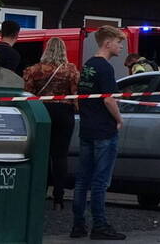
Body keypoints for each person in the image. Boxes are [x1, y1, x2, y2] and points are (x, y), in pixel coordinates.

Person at [70, 26, 126, 240]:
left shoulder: (87, 66)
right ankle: (100, 225)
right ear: (107, 43)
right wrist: (119, 119)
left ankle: (78, 225)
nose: (121, 46)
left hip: (87, 129)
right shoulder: (105, 68)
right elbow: (108, 99)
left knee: (82, 179)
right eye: (118, 42)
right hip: (104, 130)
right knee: (100, 181)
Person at [23, 37, 80, 209]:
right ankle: (58, 198)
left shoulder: (34, 70)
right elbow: (75, 95)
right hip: (64, 112)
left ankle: (39, 193)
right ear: (63, 51)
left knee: (41, 153)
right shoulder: (71, 70)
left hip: (42, 111)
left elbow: (27, 94)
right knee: (60, 155)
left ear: (46, 50)